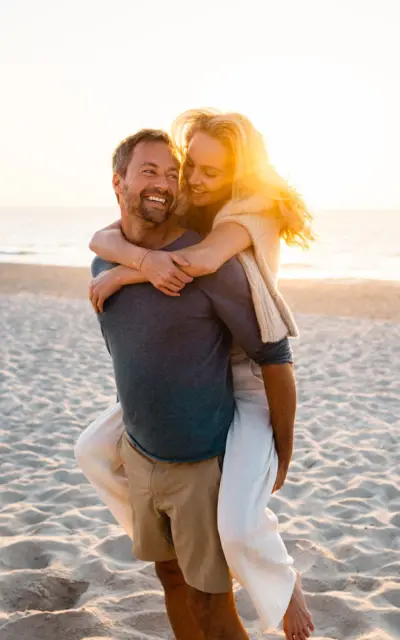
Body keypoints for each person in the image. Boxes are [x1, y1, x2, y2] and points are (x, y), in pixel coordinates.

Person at [76, 110, 315, 640]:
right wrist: (131, 261)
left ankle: (281, 581)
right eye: (192, 167)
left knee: (239, 521)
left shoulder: (247, 212)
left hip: (247, 372)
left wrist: (126, 271)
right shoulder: (186, 199)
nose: (193, 180)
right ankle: (158, 531)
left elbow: (200, 261)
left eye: (212, 171)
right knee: (91, 451)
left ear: (237, 173)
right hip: (198, 365)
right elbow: (102, 236)